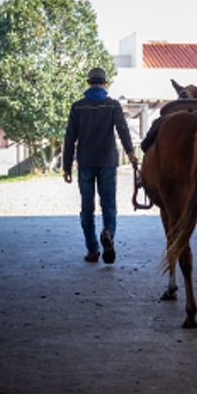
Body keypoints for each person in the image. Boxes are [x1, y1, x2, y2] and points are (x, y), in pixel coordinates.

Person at [62, 67, 138, 264]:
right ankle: (108, 233)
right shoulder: (112, 105)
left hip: (86, 163)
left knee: (87, 208)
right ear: (105, 83)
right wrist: (131, 154)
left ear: (88, 83)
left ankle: (93, 249)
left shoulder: (78, 107)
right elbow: (123, 130)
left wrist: (67, 166)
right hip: (107, 163)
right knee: (108, 205)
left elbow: (70, 138)